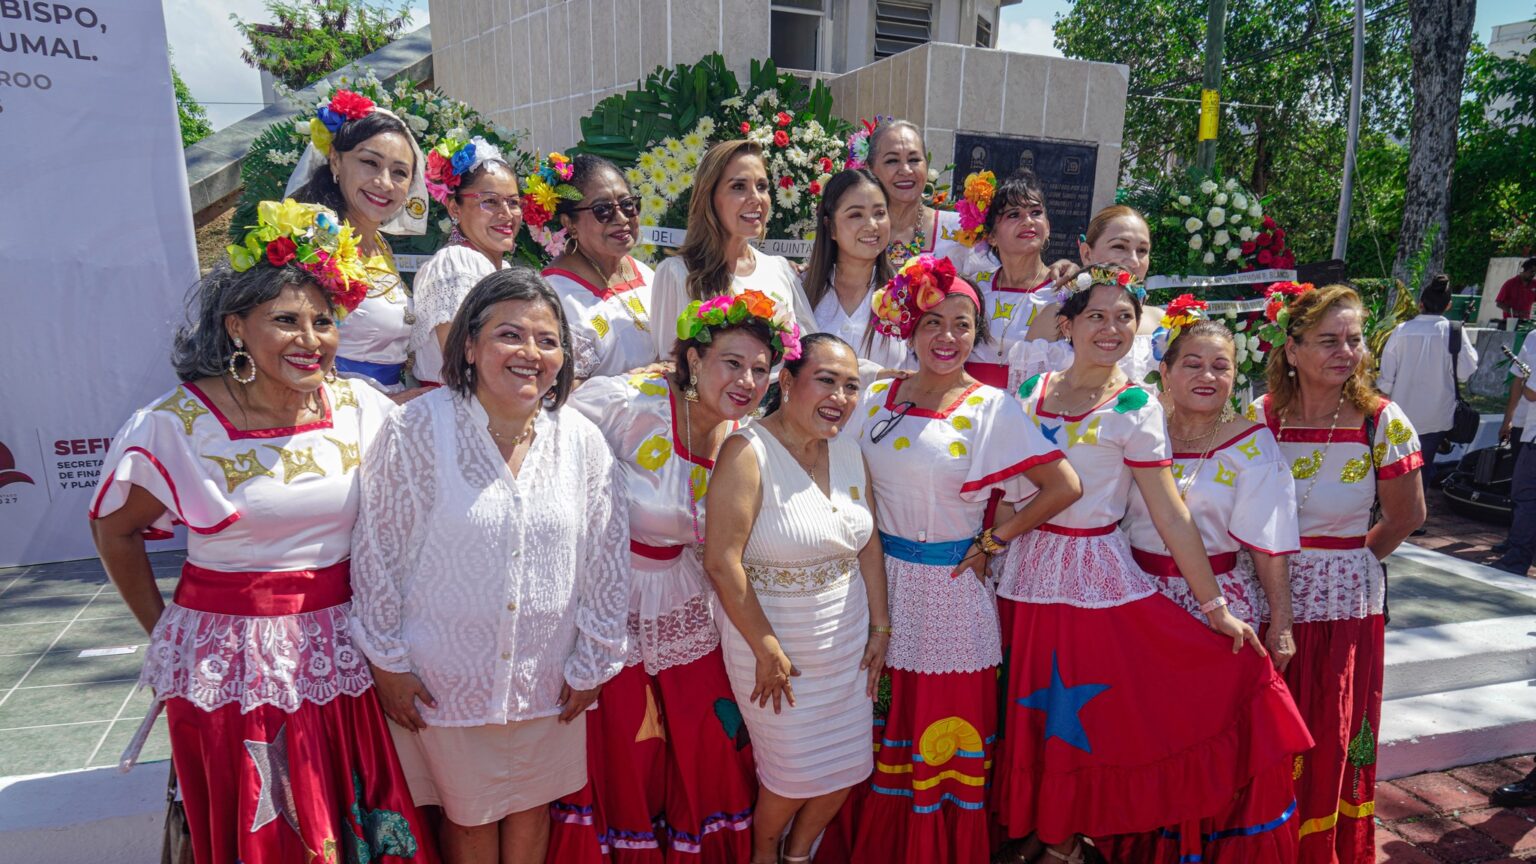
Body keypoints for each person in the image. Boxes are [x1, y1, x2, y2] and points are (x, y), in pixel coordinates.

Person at [89, 200, 437, 864]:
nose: (310, 339)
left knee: (354, 821)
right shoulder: (175, 424)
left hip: (345, 651)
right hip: (233, 664)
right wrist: (164, 630)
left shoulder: (361, 407)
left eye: (323, 322)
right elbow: (116, 530)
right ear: (236, 328)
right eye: (285, 321)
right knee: (274, 832)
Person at [994, 266, 1312, 864]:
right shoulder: (1031, 392)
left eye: (1123, 317)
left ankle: (1066, 835)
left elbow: (1170, 514)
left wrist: (1216, 607)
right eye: (1095, 315)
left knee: (1085, 711)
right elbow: (1004, 485)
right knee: (1029, 702)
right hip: (1025, 569)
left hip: (1094, 578)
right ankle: (1042, 827)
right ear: (1068, 324)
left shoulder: (1137, 405)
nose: (1110, 328)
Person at [349, 269, 630, 864]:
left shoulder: (581, 440)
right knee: (469, 820)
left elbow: (607, 556)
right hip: (443, 681)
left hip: (547, 675)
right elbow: (378, 553)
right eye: (511, 335)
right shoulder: (418, 430)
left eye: (548, 340)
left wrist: (593, 659)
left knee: (532, 810)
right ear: (470, 347)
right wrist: (389, 664)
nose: (531, 353)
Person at [828, 254, 1082, 864]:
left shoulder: (991, 407)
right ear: (910, 329)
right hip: (872, 587)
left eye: (963, 324)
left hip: (950, 594)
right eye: (933, 322)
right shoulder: (877, 395)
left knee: (944, 738)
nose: (948, 337)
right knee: (875, 731)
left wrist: (994, 541)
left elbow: (1063, 485)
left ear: (978, 331)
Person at [545, 291, 795, 863]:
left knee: (709, 737)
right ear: (693, 360)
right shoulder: (628, 402)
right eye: (732, 363)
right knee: (625, 749)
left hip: (686, 601)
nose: (747, 380)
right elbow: (546, 454)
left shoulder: (747, 438)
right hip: (608, 597)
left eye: (761, 369)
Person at [1103, 308, 1306, 864]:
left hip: (1217, 612)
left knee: (1209, 744)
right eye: (1192, 362)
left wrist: (1281, 625)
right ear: (1163, 372)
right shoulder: (1136, 430)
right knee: (1144, 737)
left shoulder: (1250, 445)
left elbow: (1270, 542)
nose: (1207, 375)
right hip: (1137, 605)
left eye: (1221, 366)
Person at [1250, 282, 1426, 864]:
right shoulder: (1262, 416)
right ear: (1291, 348)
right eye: (1328, 340)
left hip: (1343, 604)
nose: (1345, 352)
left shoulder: (1382, 420)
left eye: (1353, 340)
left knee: (1329, 723)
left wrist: (1341, 568)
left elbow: (1406, 516)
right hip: (1261, 593)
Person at [705, 333, 888, 864]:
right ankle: (765, 853)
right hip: (775, 650)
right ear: (787, 382)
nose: (840, 396)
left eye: (851, 386)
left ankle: (799, 855)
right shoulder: (747, 451)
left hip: (847, 646)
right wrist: (766, 648)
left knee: (848, 768)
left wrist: (880, 626)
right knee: (788, 776)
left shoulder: (851, 451)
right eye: (826, 380)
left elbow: (868, 542)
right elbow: (721, 561)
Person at [288, 89, 430, 396]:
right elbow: (295, 343)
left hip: (389, 406)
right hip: (337, 411)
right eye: (370, 163)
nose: (384, 182)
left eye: (400, 172)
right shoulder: (316, 238)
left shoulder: (380, 244)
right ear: (336, 161)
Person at [649, 140, 816, 362]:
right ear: (710, 197)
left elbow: (814, 354)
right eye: (738, 187)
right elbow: (672, 368)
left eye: (762, 187)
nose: (756, 198)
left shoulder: (780, 269)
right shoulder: (677, 273)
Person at [410, 136, 520, 387]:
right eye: (489, 201)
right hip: (459, 408)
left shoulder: (500, 268)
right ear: (454, 209)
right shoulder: (455, 264)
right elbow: (463, 365)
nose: (506, 214)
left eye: (513, 202)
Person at [540, 153, 660, 380]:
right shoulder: (554, 296)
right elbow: (558, 391)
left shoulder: (645, 274)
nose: (622, 218)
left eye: (628, 205)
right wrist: (633, 385)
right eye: (602, 209)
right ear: (569, 224)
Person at [953, 168, 1065, 389]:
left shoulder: (1063, 292)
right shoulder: (974, 289)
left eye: (1036, 212)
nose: (1028, 221)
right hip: (971, 408)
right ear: (992, 236)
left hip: (1032, 413)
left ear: (1048, 227)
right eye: (1013, 215)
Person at [800, 169, 907, 382]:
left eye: (879, 213)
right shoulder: (801, 289)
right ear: (831, 227)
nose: (871, 225)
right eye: (855, 215)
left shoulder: (908, 294)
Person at [1376, 274, 1478, 496]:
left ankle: (1388, 512)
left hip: (1400, 411)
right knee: (1423, 464)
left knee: (1394, 464)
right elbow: (1465, 372)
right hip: (1436, 415)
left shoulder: (1401, 330)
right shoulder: (1454, 331)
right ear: (1448, 305)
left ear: (1420, 304)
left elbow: (1386, 378)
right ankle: (1414, 518)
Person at [865, 120, 968, 269]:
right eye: (892, 161)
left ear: (926, 166)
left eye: (914, 160)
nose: (906, 170)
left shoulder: (958, 231)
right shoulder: (855, 231)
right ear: (870, 170)